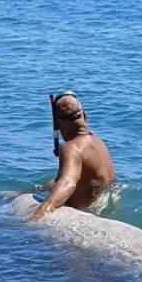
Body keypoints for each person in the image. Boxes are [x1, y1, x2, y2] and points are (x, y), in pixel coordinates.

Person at [29, 91, 116, 220]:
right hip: (101, 208)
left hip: (82, 215)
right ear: (85, 116)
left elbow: (68, 182)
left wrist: (41, 213)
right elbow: (71, 176)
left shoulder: (71, 148)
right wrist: (35, 189)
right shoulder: (99, 143)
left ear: (56, 124)